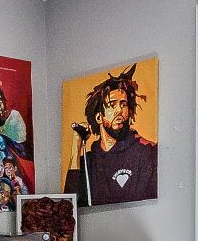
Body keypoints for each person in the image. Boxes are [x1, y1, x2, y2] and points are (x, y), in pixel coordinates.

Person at [65, 63, 157, 204]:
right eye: (112, 104)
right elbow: (68, 206)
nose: (119, 110)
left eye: (123, 104)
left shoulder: (147, 151)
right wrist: (76, 147)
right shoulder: (88, 162)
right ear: (98, 117)